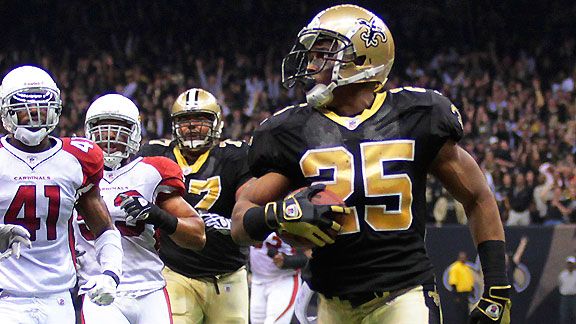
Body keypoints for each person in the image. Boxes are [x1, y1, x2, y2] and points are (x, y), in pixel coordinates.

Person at [231, 5, 511, 324]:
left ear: (362, 58)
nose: (309, 64)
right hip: (327, 300)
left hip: (402, 295)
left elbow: (477, 198)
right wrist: (274, 214)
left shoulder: (418, 115)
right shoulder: (289, 131)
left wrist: (497, 286)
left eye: (322, 52)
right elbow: (240, 219)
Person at [0, 65, 123, 323]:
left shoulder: (76, 159)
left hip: (58, 297)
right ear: (7, 112)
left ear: (55, 108)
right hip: (5, 297)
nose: (33, 117)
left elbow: (104, 229)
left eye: (39, 109)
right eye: (24, 110)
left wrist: (111, 273)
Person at [73, 94, 206, 323]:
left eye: (119, 128)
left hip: (149, 289)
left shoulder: (150, 173)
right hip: (98, 287)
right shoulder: (73, 172)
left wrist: (157, 215)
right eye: (102, 128)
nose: (110, 136)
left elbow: (198, 236)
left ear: (134, 133)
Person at [139, 88, 253, 324]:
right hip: (175, 272)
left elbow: (249, 203)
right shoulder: (156, 155)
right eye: (184, 120)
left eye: (200, 119)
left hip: (228, 274)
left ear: (216, 123)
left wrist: (230, 223)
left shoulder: (235, 156)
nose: (191, 126)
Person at [249, 233, 308, 324]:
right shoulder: (250, 220)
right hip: (257, 280)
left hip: (284, 280)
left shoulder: (292, 221)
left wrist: (288, 261)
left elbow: (309, 255)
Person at [448, 251, 475, 322]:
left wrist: (472, 290)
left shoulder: (466, 267)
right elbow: (453, 282)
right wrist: (456, 296)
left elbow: (469, 280)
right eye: (461, 257)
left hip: (467, 294)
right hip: (460, 294)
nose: (463, 259)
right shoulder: (455, 267)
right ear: (458, 258)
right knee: (461, 313)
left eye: (464, 257)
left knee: (467, 313)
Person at [558, 256, 576, 324]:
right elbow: (560, 283)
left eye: (572, 264)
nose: (570, 265)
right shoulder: (563, 274)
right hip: (565, 297)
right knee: (564, 316)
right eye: (569, 264)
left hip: (574, 297)